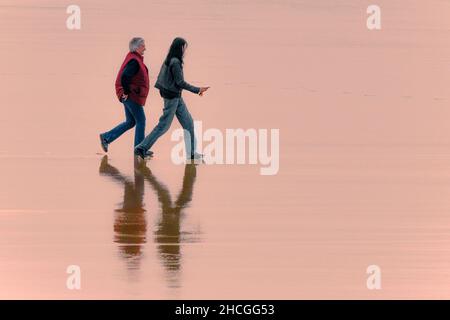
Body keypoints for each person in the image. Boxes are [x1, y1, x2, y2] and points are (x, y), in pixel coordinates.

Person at [134, 37, 209, 160]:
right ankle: (141, 148)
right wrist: (197, 89)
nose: (185, 50)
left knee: (189, 124)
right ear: (180, 48)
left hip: (175, 97)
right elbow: (180, 83)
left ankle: (191, 154)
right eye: (184, 48)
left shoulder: (169, 59)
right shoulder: (175, 62)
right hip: (172, 98)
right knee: (163, 126)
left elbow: (162, 79)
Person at [99, 37, 153, 157]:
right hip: (131, 96)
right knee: (141, 121)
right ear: (137, 47)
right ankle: (139, 150)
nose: (145, 48)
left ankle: (106, 137)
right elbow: (124, 77)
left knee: (131, 121)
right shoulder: (134, 61)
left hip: (129, 95)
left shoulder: (134, 58)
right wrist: (127, 92)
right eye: (143, 46)